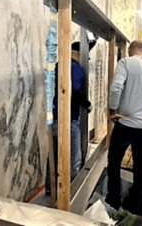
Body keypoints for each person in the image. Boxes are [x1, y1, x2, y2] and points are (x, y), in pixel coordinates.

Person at [105, 40, 142, 216]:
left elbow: (115, 88)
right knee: (140, 166)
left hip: (126, 123)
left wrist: (113, 110)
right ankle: (136, 204)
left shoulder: (125, 63)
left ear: (131, 50)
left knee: (114, 161)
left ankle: (113, 200)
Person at [45, 41, 95, 195]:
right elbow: (72, 93)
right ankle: (72, 195)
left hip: (55, 117)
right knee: (75, 160)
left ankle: (49, 189)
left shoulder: (60, 65)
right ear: (77, 54)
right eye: (85, 57)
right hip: (69, 118)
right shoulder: (75, 68)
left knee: (54, 157)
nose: (85, 60)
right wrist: (87, 104)